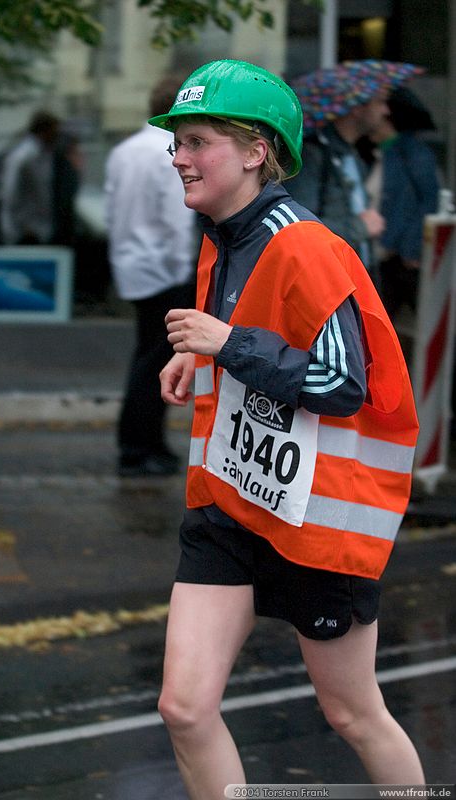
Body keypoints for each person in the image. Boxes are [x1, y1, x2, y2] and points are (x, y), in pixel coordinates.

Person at [149, 59, 424, 797]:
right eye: (176, 141)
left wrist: (225, 345)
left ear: (254, 151)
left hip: (315, 519)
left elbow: (340, 384)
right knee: (182, 707)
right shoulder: (221, 235)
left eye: (197, 140)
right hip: (228, 505)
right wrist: (198, 363)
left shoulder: (308, 246)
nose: (177, 156)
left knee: (352, 713)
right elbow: (253, 342)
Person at [105, 75, 196, 477]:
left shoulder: (124, 151)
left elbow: (113, 211)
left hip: (133, 265)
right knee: (156, 362)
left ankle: (144, 443)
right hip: (164, 269)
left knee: (149, 356)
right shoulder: (168, 152)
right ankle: (140, 448)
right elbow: (177, 217)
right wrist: (184, 269)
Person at [287, 76, 388, 287]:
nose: (386, 111)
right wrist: (360, 227)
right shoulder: (314, 155)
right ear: (357, 106)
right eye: (380, 101)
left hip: (356, 280)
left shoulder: (353, 155)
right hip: (329, 284)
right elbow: (301, 227)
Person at [363, 86, 439, 317]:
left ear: (389, 118)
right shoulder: (383, 152)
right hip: (383, 254)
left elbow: (428, 201)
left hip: (400, 256)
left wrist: (411, 249)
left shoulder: (412, 152)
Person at [0, 111, 60, 245]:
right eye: (54, 132)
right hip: (25, 232)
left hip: (38, 229)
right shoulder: (24, 157)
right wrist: (23, 225)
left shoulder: (44, 154)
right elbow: (11, 194)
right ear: (44, 131)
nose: (57, 136)